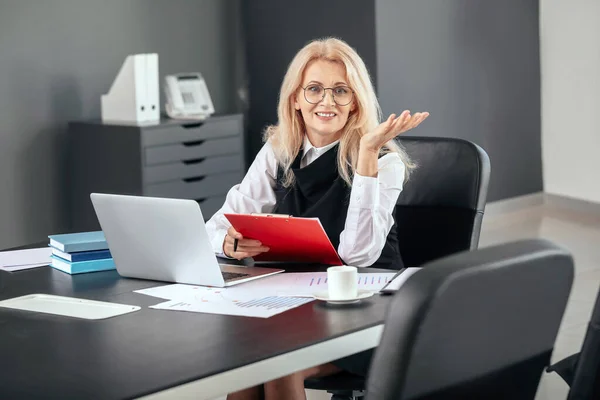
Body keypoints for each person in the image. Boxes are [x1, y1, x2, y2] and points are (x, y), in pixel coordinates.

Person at [205, 37, 429, 400]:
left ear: (355, 101)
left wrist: (368, 155)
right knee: (243, 365)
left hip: (364, 307)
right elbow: (215, 227)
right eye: (314, 89)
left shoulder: (384, 161)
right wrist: (228, 243)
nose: (327, 101)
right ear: (295, 99)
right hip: (294, 301)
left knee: (280, 364)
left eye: (341, 90)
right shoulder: (279, 151)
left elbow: (358, 255)